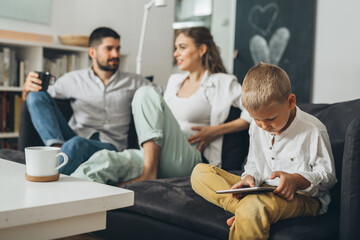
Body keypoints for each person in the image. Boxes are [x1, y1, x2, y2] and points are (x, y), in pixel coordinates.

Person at [71, 26, 252, 184]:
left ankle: (149, 173)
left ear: (202, 49)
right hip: (158, 152)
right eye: (175, 48)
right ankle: (58, 202)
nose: (176, 54)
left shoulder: (222, 82)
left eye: (182, 47)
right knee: (103, 162)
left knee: (145, 92)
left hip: (190, 155)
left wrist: (216, 131)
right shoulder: (174, 81)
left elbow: (254, 110)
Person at [190, 62, 337, 240]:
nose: (264, 126)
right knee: (200, 172)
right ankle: (248, 211)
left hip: (302, 198)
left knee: (253, 206)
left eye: (270, 119)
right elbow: (253, 163)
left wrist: (297, 180)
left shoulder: (313, 130)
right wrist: (248, 179)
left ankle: (250, 211)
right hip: (262, 190)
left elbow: (328, 177)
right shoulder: (256, 126)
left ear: (290, 102)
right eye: (257, 120)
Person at [22, 27, 155, 175]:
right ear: (92, 52)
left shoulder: (134, 81)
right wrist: (27, 89)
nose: (116, 54)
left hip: (110, 146)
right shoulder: (73, 79)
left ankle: (48, 177)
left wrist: (186, 125)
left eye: (118, 49)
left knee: (76, 144)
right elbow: (38, 102)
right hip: (73, 137)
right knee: (36, 95)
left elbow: (165, 98)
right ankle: (57, 149)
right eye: (109, 49)